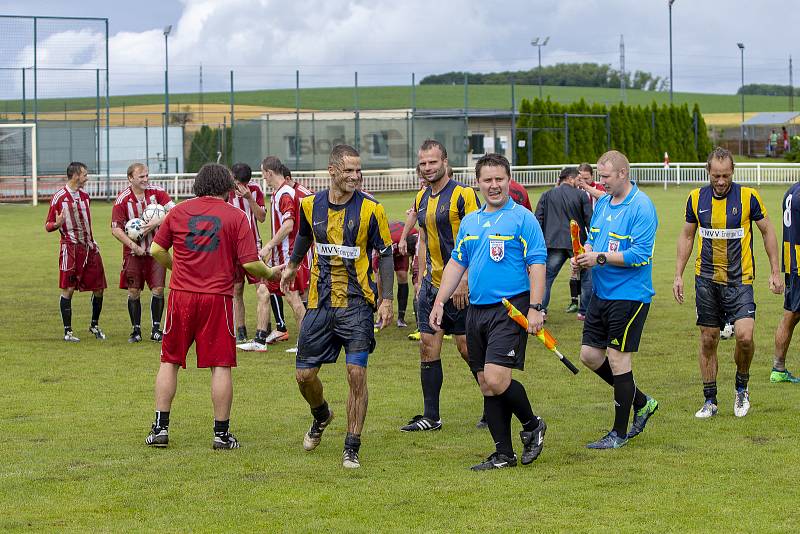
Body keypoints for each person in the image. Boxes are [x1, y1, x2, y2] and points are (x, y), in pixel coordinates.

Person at [145, 163, 281, 449]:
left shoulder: (178, 211)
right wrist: (270, 273)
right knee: (220, 365)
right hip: (217, 299)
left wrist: (177, 268)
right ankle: (221, 434)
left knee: (169, 360)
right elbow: (249, 262)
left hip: (181, 296)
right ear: (227, 188)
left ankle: (160, 429)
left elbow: (156, 249)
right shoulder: (236, 216)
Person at [431, 153, 547, 470]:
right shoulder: (471, 222)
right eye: (488, 180)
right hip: (476, 311)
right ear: (478, 183)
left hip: (510, 308)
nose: (494, 185)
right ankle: (503, 454)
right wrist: (440, 301)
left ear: (508, 180)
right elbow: (457, 263)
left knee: (497, 378)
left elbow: (537, 263)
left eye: (499, 179)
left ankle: (532, 424)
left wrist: (536, 307)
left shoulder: (523, 218)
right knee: (485, 382)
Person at [281, 144, 394, 469]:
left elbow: (385, 254)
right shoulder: (308, 205)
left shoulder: (372, 210)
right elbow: (304, 235)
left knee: (356, 373)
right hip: (319, 304)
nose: (355, 176)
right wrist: (292, 264)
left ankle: (351, 445)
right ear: (332, 171)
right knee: (304, 375)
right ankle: (321, 415)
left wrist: (386, 299)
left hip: (357, 305)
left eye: (359, 171)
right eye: (349, 171)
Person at [674, 147, 783, 418]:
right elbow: (687, 236)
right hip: (706, 280)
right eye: (716, 176)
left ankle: (741, 388)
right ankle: (710, 400)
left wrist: (775, 270)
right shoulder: (695, 198)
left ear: (732, 171)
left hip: (740, 280)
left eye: (725, 175)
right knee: (709, 339)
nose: (721, 181)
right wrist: (678, 274)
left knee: (745, 337)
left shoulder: (748, 197)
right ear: (708, 172)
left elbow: (768, 230)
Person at [574, 150, 659, 449]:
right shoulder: (603, 204)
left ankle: (618, 434)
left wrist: (598, 258)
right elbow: (593, 238)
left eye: (605, 176)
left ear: (623, 174)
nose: (601, 182)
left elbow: (639, 256)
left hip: (630, 295)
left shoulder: (642, 207)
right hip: (602, 293)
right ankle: (642, 402)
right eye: (599, 176)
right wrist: (584, 253)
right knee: (589, 355)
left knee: (618, 358)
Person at [400, 139, 482, 432]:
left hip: (459, 286)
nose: (427, 168)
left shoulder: (463, 195)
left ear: (445, 162)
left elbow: (476, 239)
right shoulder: (421, 197)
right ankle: (431, 416)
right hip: (430, 286)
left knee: (465, 348)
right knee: (427, 346)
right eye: (423, 163)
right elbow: (422, 238)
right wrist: (420, 276)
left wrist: (464, 279)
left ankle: (493, 401)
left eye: (432, 162)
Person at [111, 163, 175, 343]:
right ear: (130, 178)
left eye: (147, 175)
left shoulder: (158, 193)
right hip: (133, 253)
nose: (146, 179)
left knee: (159, 289)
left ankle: (156, 329)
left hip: (156, 251)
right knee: (133, 292)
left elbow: (175, 211)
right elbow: (115, 229)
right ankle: (136, 330)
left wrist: (156, 223)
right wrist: (134, 246)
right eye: (141, 177)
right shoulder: (123, 199)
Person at [46, 161, 108, 342]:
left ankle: (94, 325)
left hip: (90, 248)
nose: (86, 178)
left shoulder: (85, 196)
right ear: (75, 176)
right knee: (68, 289)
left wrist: (92, 240)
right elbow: (48, 225)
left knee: (99, 288)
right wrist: (56, 224)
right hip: (70, 249)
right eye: (85, 174)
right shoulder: (59, 197)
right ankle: (68, 332)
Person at [260, 157, 309, 351]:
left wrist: (269, 246)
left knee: (293, 297)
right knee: (268, 291)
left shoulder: (285, 194)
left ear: (269, 173)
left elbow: (289, 225)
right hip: (283, 256)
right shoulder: (280, 193)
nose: (263, 177)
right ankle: (260, 338)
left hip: (288, 257)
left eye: (263, 173)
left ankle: (306, 343)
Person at [534, 167, 592, 317]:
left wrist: (540, 243)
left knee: (546, 278)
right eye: (578, 179)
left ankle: (540, 310)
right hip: (576, 243)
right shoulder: (581, 195)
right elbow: (589, 221)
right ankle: (584, 312)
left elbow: (537, 220)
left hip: (552, 242)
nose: (580, 182)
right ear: (571, 179)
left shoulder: (546, 194)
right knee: (586, 276)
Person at [226, 163, 271, 352]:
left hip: (253, 247)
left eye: (242, 183)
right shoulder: (224, 191)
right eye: (236, 183)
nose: (239, 186)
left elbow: (261, 217)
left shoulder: (255, 190)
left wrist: (249, 198)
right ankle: (241, 331)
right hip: (231, 249)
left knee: (262, 289)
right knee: (236, 290)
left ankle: (262, 333)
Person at [773, 179, 800, 383]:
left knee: (790, 314)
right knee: (791, 315)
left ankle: (778, 368)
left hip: (792, 261)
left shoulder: (792, 191)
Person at [374, 221, 418, 327]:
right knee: (380, 280)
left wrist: (414, 263)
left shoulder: (415, 236)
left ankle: (401, 319)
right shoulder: (388, 241)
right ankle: (380, 316)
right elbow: (377, 263)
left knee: (403, 275)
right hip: (387, 246)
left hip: (402, 243)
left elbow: (417, 253)